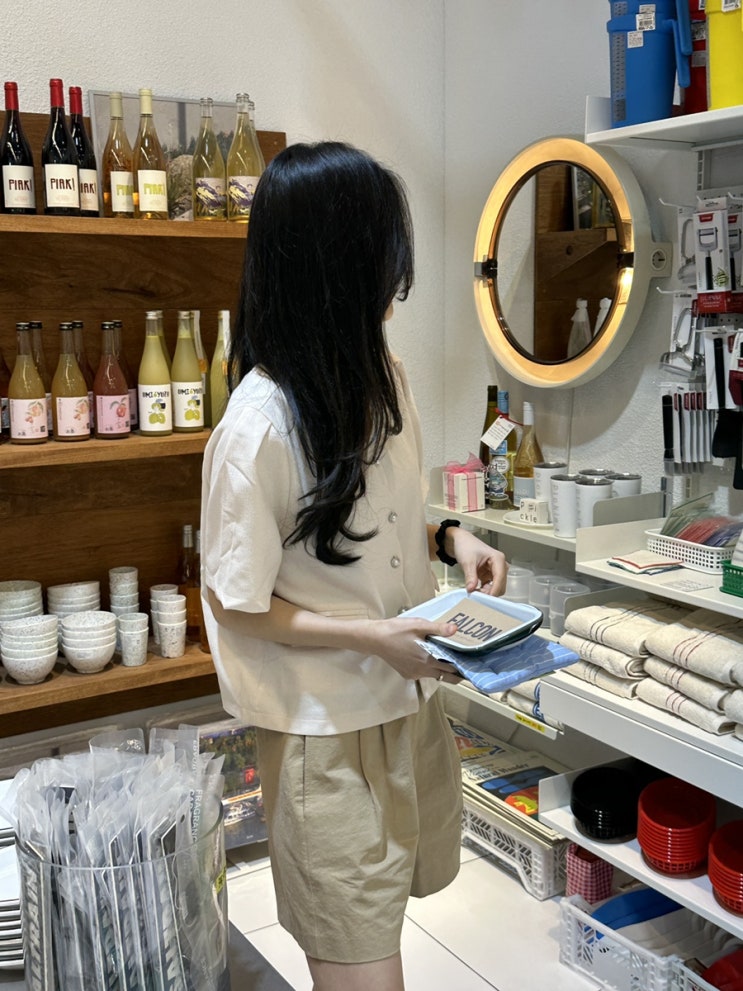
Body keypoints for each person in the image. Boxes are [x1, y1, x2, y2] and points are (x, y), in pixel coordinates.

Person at [200, 141, 508, 991]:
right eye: (380, 255)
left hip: (408, 706)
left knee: (391, 917)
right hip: (324, 734)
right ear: (334, 266)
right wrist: (373, 636)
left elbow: (382, 512)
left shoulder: (383, 377)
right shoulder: (257, 427)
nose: (394, 281)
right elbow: (235, 603)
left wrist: (452, 538)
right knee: (361, 967)